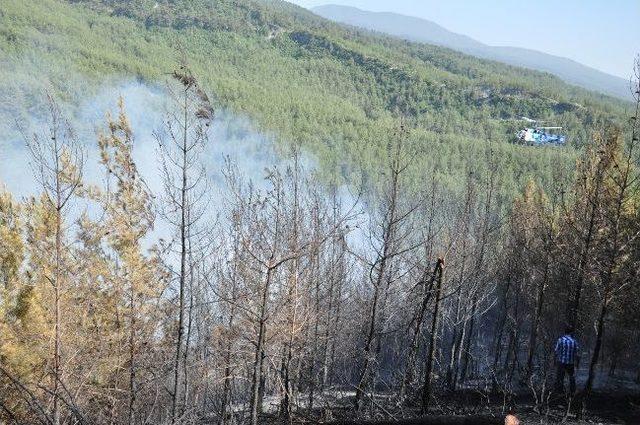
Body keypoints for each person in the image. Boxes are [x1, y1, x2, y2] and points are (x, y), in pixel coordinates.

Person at [554, 327, 579, 395]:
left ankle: (560, 392)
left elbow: (556, 351)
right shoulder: (574, 341)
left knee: (560, 377)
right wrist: (577, 364)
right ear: (571, 333)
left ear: (565, 332)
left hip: (561, 362)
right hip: (570, 363)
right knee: (571, 377)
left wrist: (554, 361)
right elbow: (577, 354)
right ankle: (572, 392)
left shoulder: (560, 340)